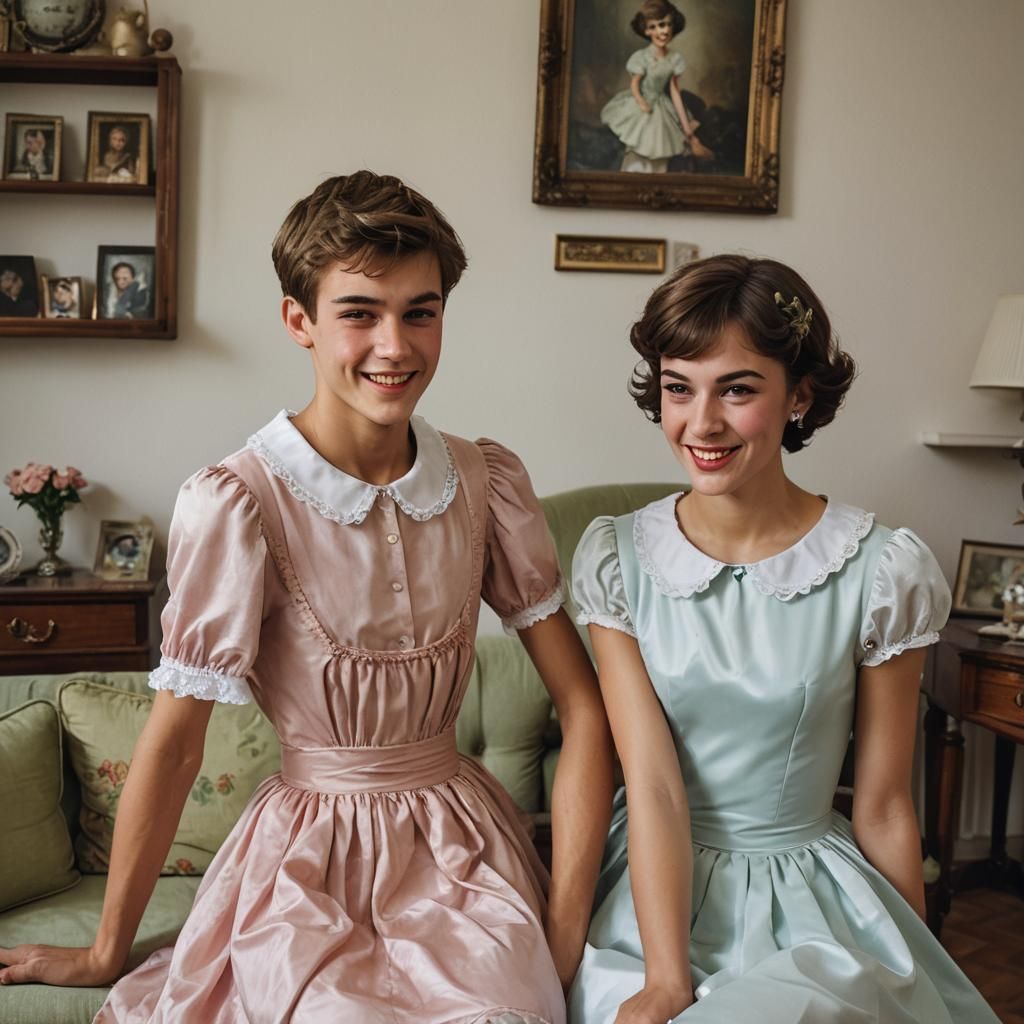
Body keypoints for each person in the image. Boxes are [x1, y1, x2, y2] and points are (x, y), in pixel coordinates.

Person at [0, 171, 614, 1023]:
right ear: (300, 320)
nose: (395, 345)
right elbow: (174, 748)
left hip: (467, 858)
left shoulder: (485, 482)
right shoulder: (239, 503)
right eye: (359, 312)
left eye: (421, 311)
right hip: (306, 865)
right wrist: (107, 949)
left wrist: (562, 927)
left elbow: (585, 707)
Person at [567, 255, 1000, 1023]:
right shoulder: (617, 559)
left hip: (812, 903)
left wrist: (911, 973)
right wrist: (666, 980)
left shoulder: (881, 570)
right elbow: (655, 787)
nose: (700, 424)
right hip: (651, 896)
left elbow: (886, 803)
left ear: (799, 394)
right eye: (679, 387)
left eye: (737, 388)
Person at [600, 0, 713, 173]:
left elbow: (674, 92)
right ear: (647, 31)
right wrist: (641, 102)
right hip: (642, 105)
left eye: (666, 25)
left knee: (662, 150)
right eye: (656, 26)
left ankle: (657, 182)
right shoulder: (641, 57)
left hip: (662, 105)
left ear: (672, 27)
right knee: (639, 147)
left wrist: (685, 126)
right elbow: (635, 84)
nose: (663, 31)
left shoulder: (674, 59)